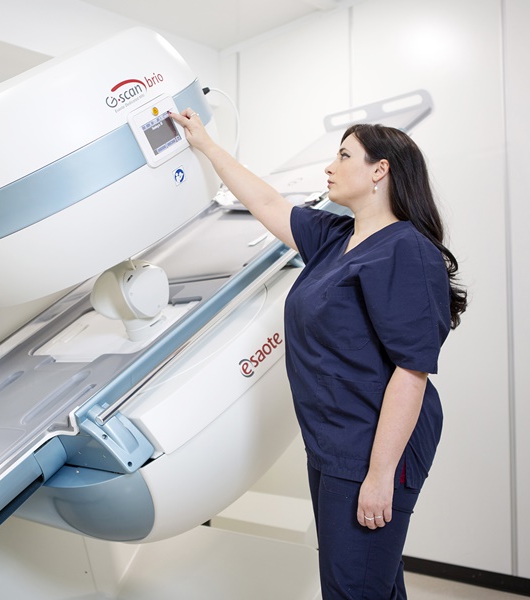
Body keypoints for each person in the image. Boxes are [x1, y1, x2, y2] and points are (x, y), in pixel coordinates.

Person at [169, 108, 467, 599]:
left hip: (374, 446)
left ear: (380, 170)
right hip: (332, 439)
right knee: (371, 581)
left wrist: (380, 476)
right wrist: (205, 144)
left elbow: (411, 373)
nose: (330, 166)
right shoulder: (335, 238)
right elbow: (265, 200)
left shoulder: (406, 250)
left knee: (352, 588)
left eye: (344, 156)